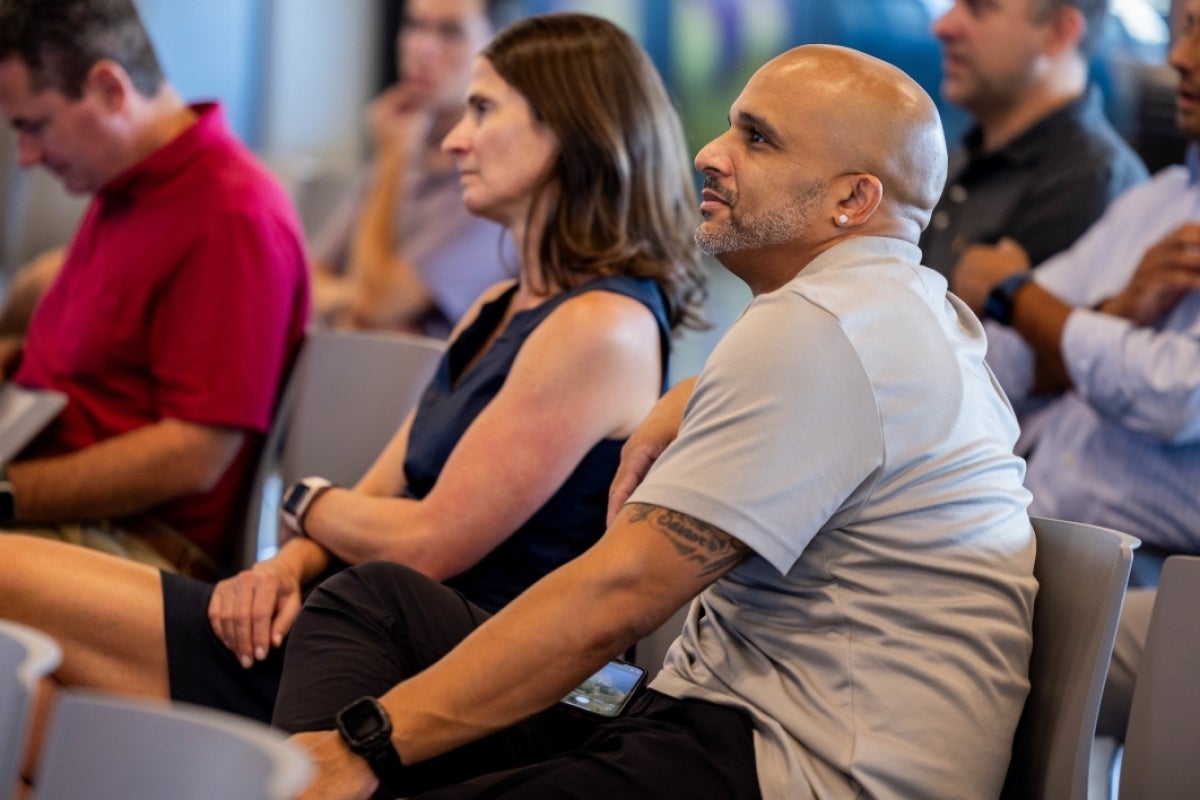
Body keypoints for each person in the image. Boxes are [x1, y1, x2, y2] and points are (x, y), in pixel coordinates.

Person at [270, 38, 1037, 800]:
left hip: (793, 766)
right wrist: (694, 394)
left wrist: (366, 742)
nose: (709, 152)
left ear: (852, 201)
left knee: (368, 731)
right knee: (376, 602)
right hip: (712, 716)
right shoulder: (907, 318)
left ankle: (314, 776)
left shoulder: (823, 328)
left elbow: (617, 596)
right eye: (732, 125)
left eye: (757, 139)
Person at [0, 8, 704, 742]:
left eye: (483, 109)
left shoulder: (601, 326)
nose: (456, 137)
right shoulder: (498, 306)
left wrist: (307, 504)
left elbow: (428, 541)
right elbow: (381, 486)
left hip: (454, 678)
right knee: (32, 700)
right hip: (362, 623)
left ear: (569, 132)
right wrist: (286, 564)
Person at [953, 0, 1200, 740]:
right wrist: (1116, 310)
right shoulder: (1159, 202)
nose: (1179, 59)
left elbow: (1176, 395)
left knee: (913, 627)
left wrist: (1016, 293)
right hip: (1026, 527)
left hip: (1151, 570)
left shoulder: (1104, 177)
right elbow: (991, 358)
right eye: (1184, 28)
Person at [0, 0, 309, 576]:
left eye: (35, 125)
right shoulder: (122, 187)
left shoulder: (230, 214)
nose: (26, 157)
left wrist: (11, 491)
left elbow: (195, 454)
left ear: (109, 89)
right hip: (59, 518)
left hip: (138, 547)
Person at [309, 0, 512, 338]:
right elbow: (308, 276)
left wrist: (392, 159)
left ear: (498, 47)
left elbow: (377, 303)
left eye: (450, 32)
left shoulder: (495, 178)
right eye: (415, 26)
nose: (423, 47)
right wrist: (350, 306)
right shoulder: (406, 145)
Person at [921, 0, 1147, 281]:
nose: (942, 26)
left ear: (1058, 32)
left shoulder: (1090, 186)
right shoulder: (959, 157)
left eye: (978, 9)